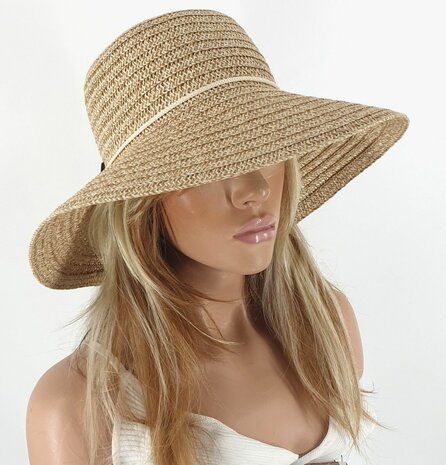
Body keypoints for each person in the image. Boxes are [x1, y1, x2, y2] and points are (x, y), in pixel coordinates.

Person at [25, 8, 409, 465]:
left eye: (266, 149)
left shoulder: (328, 323)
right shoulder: (79, 406)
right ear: (142, 202)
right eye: (210, 166)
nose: (255, 189)